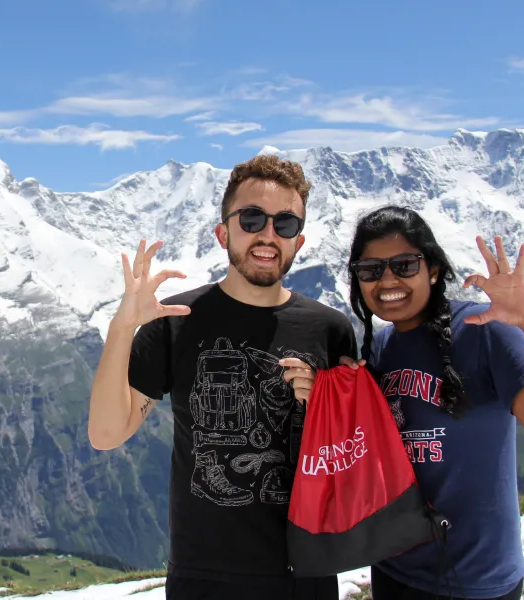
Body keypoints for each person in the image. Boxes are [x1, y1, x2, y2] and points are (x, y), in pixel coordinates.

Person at [87, 155, 358, 600]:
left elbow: (351, 453)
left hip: (307, 575)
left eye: (285, 224)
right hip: (203, 579)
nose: (268, 235)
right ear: (222, 232)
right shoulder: (175, 323)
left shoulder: (331, 330)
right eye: (252, 218)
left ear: (299, 241)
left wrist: (327, 403)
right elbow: (105, 433)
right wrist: (123, 326)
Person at [340, 205, 524, 600]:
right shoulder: (379, 348)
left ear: (434, 270)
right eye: (370, 270)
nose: (387, 279)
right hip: (393, 567)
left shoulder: (482, 332)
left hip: (476, 579)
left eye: (404, 264)